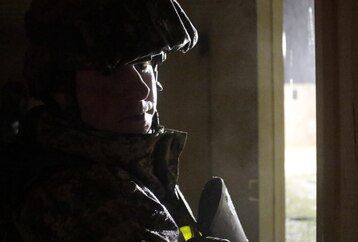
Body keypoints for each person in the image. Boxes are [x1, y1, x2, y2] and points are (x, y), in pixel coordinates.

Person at [0, 0, 229, 241]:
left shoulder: (121, 167)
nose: (140, 90)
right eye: (110, 72)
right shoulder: (81, 194)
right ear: (62, 91)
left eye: (142, 65)